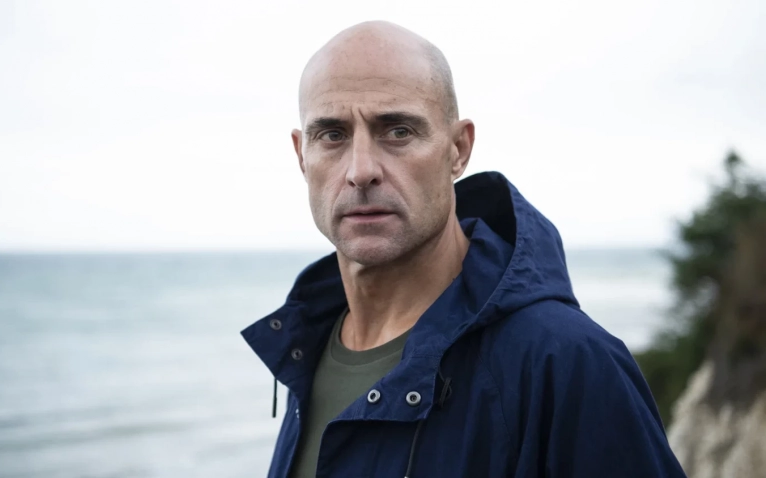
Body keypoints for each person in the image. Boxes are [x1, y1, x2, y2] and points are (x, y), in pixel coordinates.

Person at [241, 20, 686, 478]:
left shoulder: (566, 363)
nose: (361, 170)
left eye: (397, 131)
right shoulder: (308, 348)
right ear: (302, 156)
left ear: (458, 149)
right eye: (332, 135)